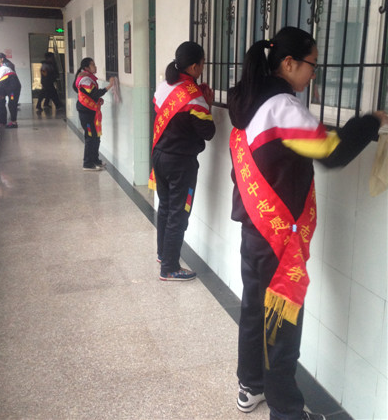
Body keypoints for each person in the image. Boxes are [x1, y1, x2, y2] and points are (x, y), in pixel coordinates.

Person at [227, 26, 388, 420]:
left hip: (254, 229)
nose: (314, 73)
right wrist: (371, 122)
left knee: (254, 311)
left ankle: (251, 386)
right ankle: (286, 411)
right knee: (281, 326)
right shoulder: (283, 107)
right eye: (312, 64)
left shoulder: (249, 101)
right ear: (288, 63)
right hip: (277, 241)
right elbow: (330, 151)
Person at [151, 41, 215, 281]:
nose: (203, 68)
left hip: (159, 155)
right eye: (203, 64)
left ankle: (163, 254)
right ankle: (169, 268)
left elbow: (160, 111)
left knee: (166, 207)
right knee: (179, 213)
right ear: (195, 67)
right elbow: (208, 132)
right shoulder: (194, 97)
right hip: (180, 163)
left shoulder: (164, 86)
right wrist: (208, 104)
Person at [73, 57, 114, 171]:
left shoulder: (88, 77)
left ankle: (95, 160)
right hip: (86, 112)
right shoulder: (84, 79)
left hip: (91, 111)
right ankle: (87, 163)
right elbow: (95, 93)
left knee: (96, 136)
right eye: (93, 65)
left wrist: (97, 100)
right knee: (90, 137)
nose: (95, 67)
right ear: (86, 67)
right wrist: (110, 85)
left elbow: (90, 95)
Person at [0, 52, 21, 128]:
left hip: (12, 91)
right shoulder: (4, 66)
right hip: (10, 89)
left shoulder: (4, 68)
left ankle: (14, 123)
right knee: (11, 104)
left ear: (2, 59)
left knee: (12, 103)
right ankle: (13, 122)